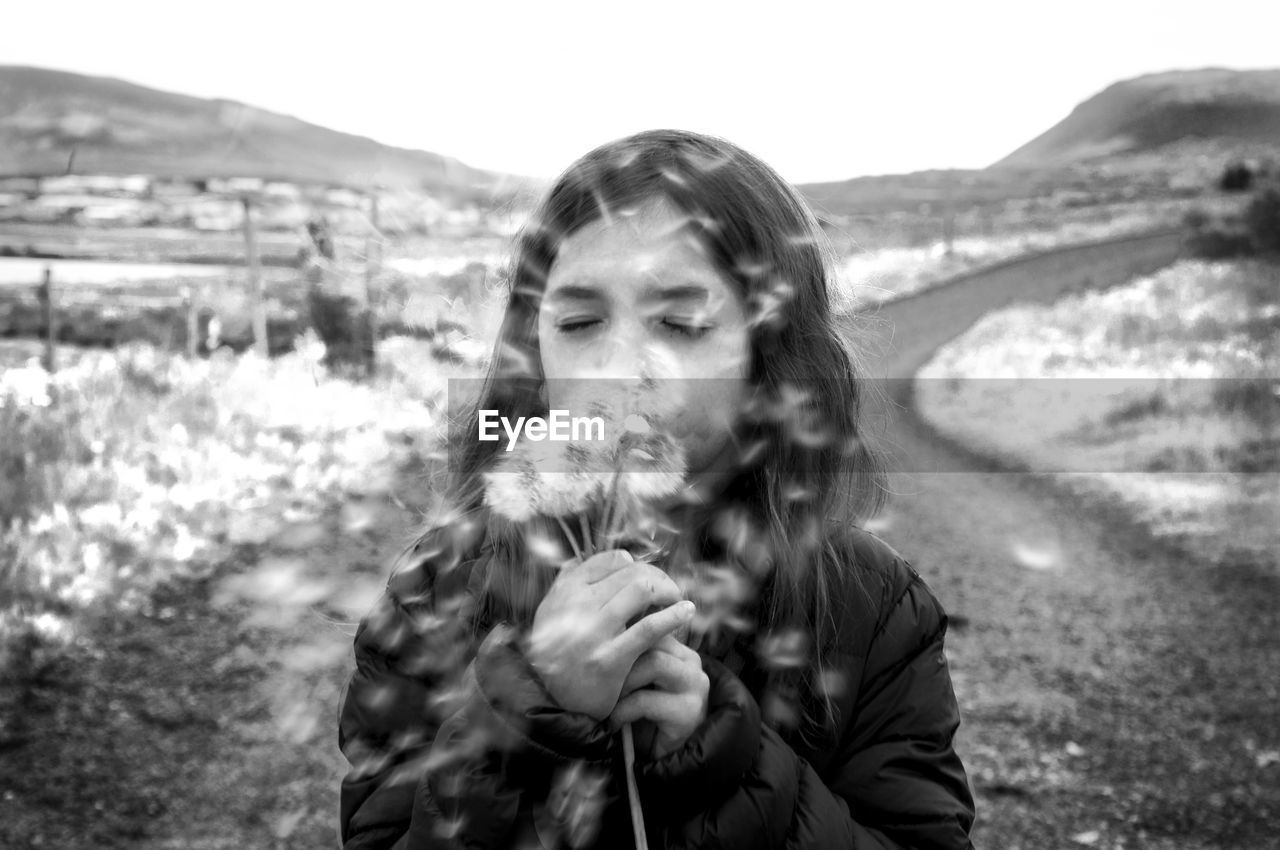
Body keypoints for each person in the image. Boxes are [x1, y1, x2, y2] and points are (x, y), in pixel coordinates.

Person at [337, 129, 976, 849]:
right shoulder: (439, 592)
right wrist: (522, 717)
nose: (619, 365)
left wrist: (726, 764)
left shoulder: (870, 610)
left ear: (770, 358)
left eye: (680, 323)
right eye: (578, 322)